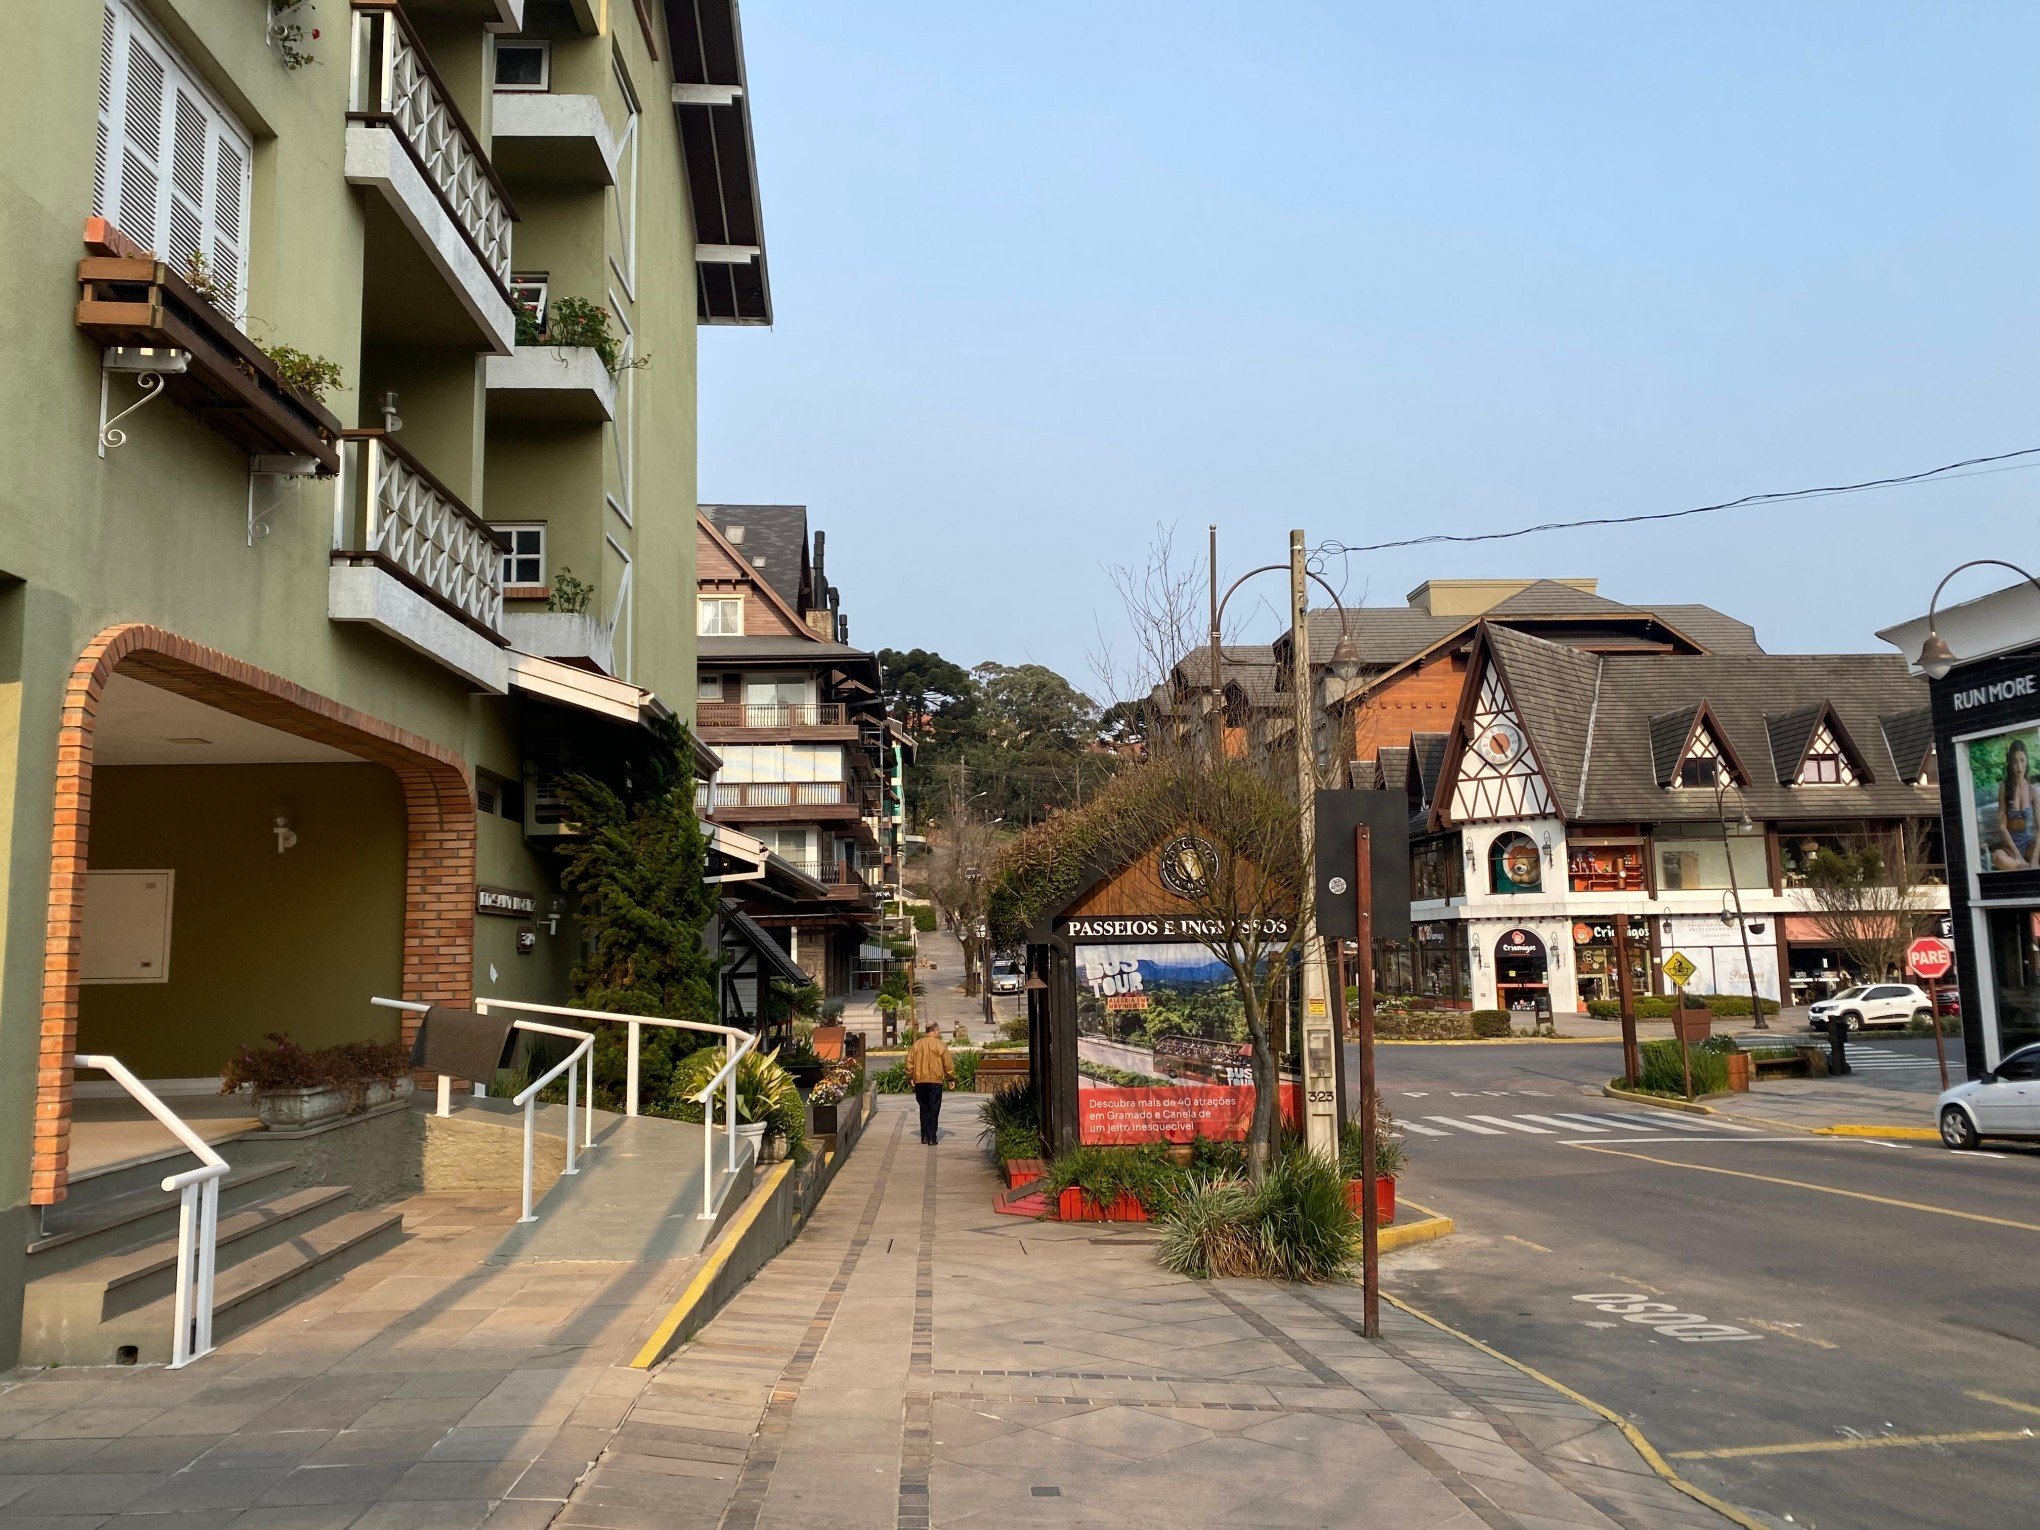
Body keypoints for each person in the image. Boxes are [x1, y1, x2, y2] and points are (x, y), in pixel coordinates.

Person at [908, 1021, 956, 1145]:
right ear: (934, 1030)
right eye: (938, 1030)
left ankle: (924, 1136)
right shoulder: (941, 1045)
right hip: (935, 1081)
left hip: (920, 1080)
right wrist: (951, 1078)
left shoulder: (917, 1044)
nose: (939, 1033)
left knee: (923, 1108)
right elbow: (948, 1063)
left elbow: (909, 1062)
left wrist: (910, 1076)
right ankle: (932, 1137)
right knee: (934, 1108)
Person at [1993, 739, 2038, 871]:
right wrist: (2018, 856)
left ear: (2027, 760)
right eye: (2015, 762)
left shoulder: (2032, 790)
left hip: (2027, 843)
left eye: (2022, 760)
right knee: (1997, 857)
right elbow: (2002, 826)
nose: (2019, 767)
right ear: (2010, 764)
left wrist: (2035, 858)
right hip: (2009, 848)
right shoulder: (2004, 788)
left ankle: (2025, 867)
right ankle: (2025, 868)